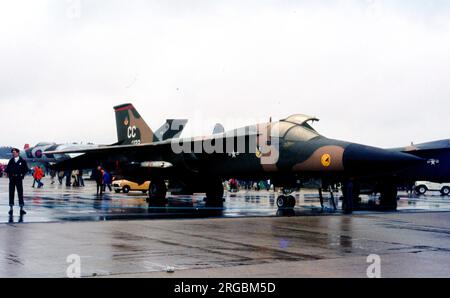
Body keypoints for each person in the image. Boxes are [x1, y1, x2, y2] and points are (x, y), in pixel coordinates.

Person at [5, 148, 29, 215]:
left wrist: (22, 176)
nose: (13, 153)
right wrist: (9, 176)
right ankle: (11, 208)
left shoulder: (22, 161)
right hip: (12, 179)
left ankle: (21, 208)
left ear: (18, 153)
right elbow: (7, 169)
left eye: (14, 152)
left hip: (19, 178)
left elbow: (26, 169)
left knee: (20, 193)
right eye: (12, 152)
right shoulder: (11, 160)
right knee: (11, 193)